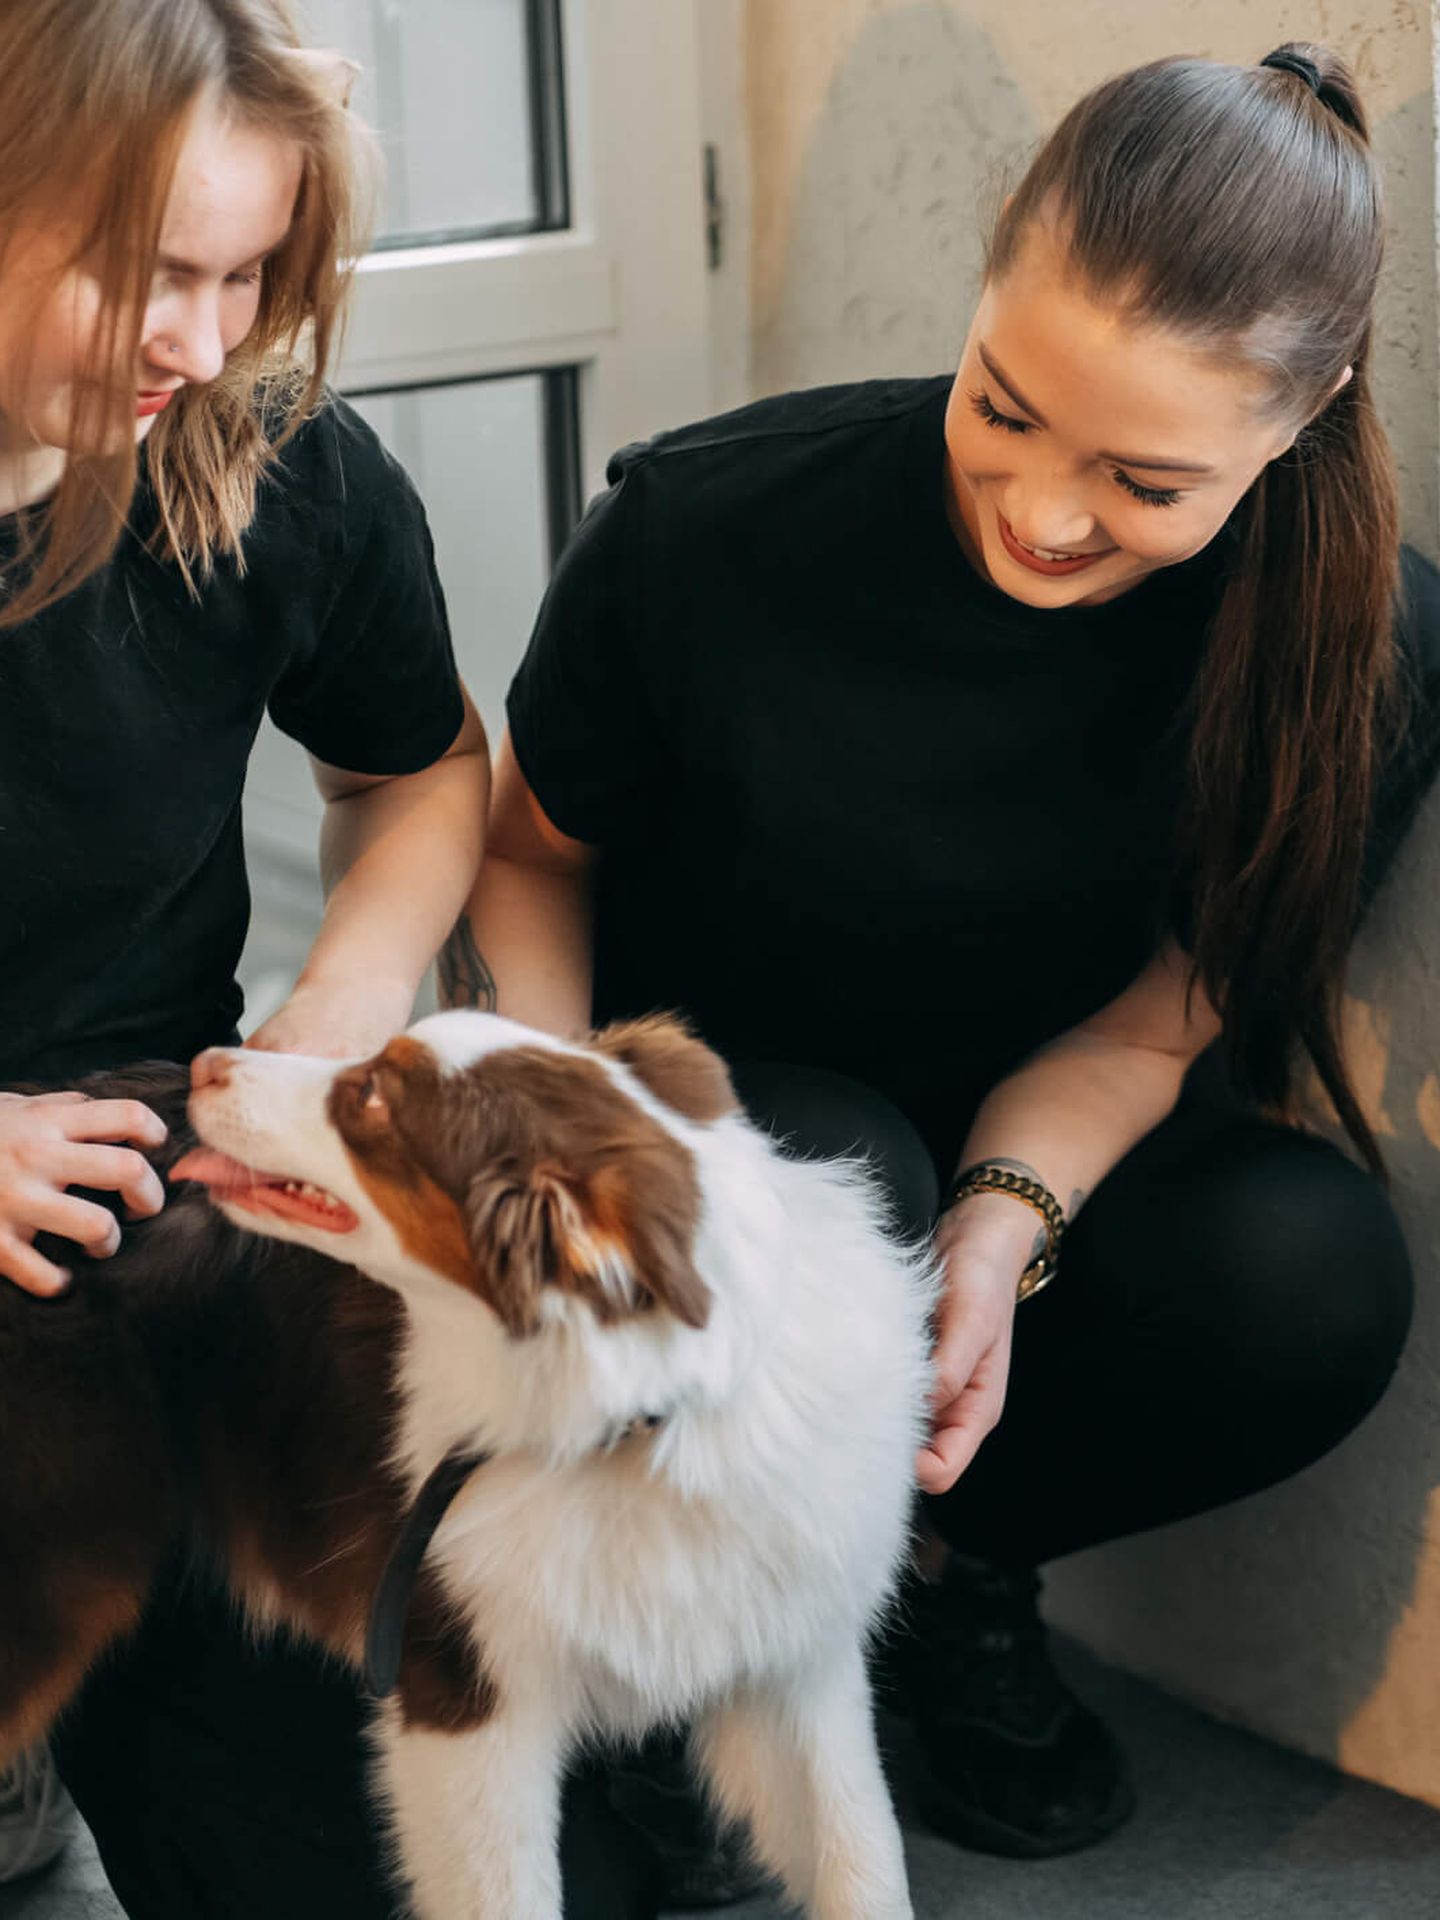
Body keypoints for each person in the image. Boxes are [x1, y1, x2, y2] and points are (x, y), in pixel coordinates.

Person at [452, 40, 1440, 1897]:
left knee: (1313, 1271)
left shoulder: (1359, 645)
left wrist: (1005, 1226)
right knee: (849, 1186)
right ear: (984, 291)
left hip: (1041, 1138)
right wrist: (561, 1128)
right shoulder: (707, 524)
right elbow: (528, 852)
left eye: (1144, 482)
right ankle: (691, 1666)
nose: (1044, 514)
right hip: (727, 1117)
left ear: (1296, 426)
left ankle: (946, 1578)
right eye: (1003, 407)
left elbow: (1159, 1026)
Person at [0, 3, 657, 1915]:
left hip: (136, 1200)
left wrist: (336, 1024)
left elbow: (415, 773)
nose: (196, 345)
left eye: (241, 278)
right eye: (142, 275)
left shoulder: (267, 462)